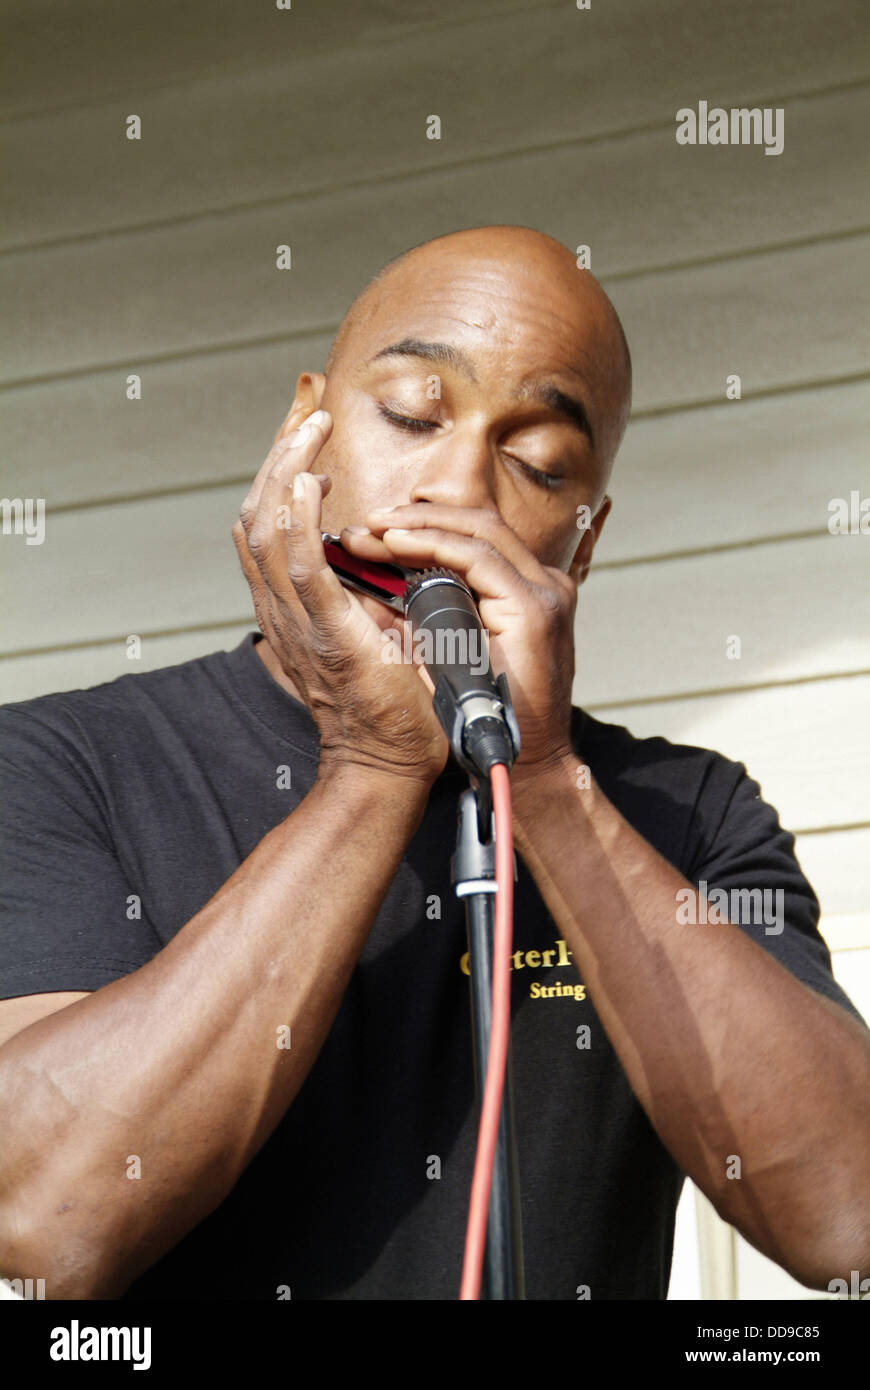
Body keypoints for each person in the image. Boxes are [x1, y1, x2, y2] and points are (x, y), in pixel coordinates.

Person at [0, 226, 867, 1301]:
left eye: (539, 462)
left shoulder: (689, 813)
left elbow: (849, 1222)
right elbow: (43, 1219)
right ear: (302, 434)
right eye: (413, 412)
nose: (456, 488)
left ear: (583, 542)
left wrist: (544, 780)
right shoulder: (62, 763)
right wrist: (372, 768)